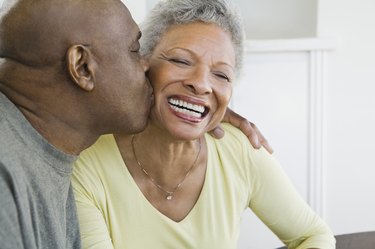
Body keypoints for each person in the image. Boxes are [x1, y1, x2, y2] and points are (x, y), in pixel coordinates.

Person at [0, 0, 268, 248]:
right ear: (82, 67)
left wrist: (197, 104)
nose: (146, 66)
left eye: (220, 74)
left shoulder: (44, 145)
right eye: (135, 50)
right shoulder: (7, 182)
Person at [72, 0, 335, 249]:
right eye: (180, 60)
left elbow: (314, 236)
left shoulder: (239, 151)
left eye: (221, 74)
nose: (201, 84)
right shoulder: (86, 165)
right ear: (142, 64)